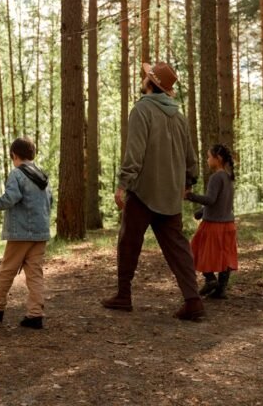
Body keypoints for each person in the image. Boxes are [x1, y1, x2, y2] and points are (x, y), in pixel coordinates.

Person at [101, 61, 204, 320]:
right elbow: (191, 155)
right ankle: (193, 300)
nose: (143, 78)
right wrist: (189, 181)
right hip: (170, 194)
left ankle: (124, 295)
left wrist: (124, 183)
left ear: (150, 83)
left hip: (144, 192)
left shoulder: (142, 110)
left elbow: (134, 152)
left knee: (128, 243)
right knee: (178, 248)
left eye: (146, 76)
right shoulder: (179, 116)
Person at [0, 137, 53, 329]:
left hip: (20, 233)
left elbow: (11, 198)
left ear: (14, 155)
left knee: (7, 271)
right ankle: (35, 314)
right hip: (40, 233)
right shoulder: (43, 175)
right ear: (32, 154)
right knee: (35, 273)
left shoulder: (17, 174)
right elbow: (50, 201)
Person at [185, 144, 237, 299]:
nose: (207, 160)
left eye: (209, 156)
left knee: (195, 251)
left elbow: (210, 199)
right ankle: (221, 290)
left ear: (218, 158)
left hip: (213, 225)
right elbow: (221, 202)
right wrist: (202, 211)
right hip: (228, 224)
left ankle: (210, 280)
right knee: (224, 256)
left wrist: (189, 196)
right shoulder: (228, 176)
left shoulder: (216, 177)